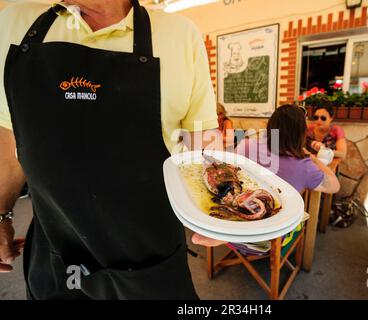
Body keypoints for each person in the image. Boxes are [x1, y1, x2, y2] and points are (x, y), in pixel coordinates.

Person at [0, 0, 219, 299]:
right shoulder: (13, 22)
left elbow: (201, 144)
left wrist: (214, 212)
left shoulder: (180, 34)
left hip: (150, 259)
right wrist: (0, 215)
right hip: (56, 257)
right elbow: (8, 145)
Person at [193, 104, 340, 247]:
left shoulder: (246, 145)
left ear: (270, 127)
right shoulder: (305, 166)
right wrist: (311, 156)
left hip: (230, 224)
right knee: (298, 218)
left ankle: (230, 235)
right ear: (301, 134)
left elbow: (228, 171)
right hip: (270, 238)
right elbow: (334, 186)